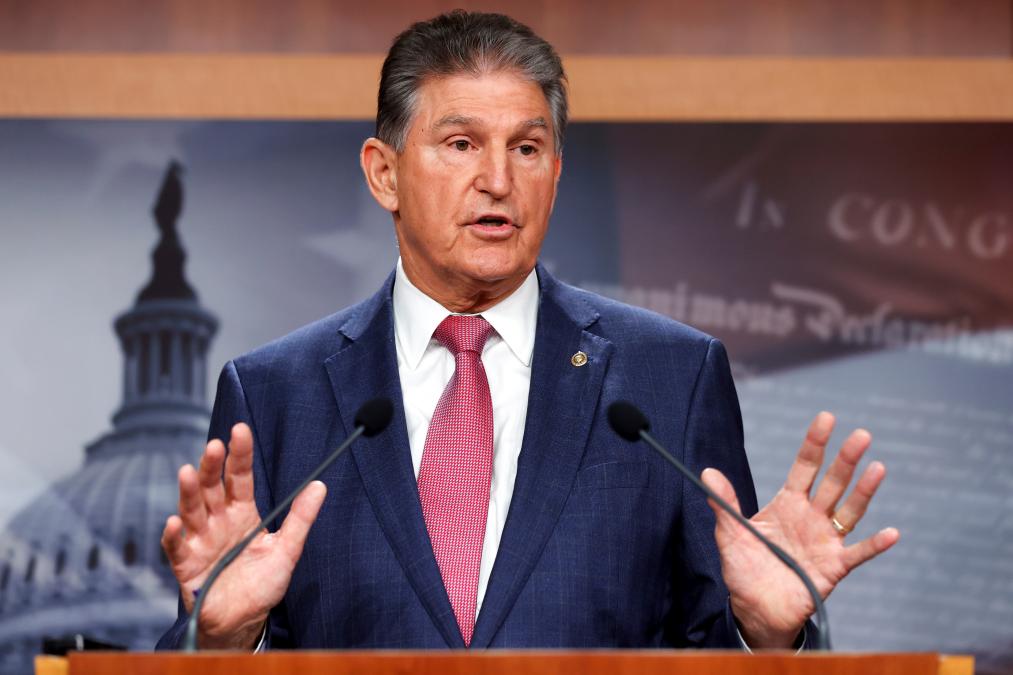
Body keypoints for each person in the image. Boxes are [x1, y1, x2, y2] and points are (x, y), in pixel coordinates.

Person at [156, 10, 898, 651]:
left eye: (526, 147)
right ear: (384, 174)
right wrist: (222, 637)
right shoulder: (277, 392)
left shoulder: (669, 377)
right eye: (460, 144)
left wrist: (763, 633)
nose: (498, 181)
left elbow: (709, 640)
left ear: (554, 171)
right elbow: (215, 637)